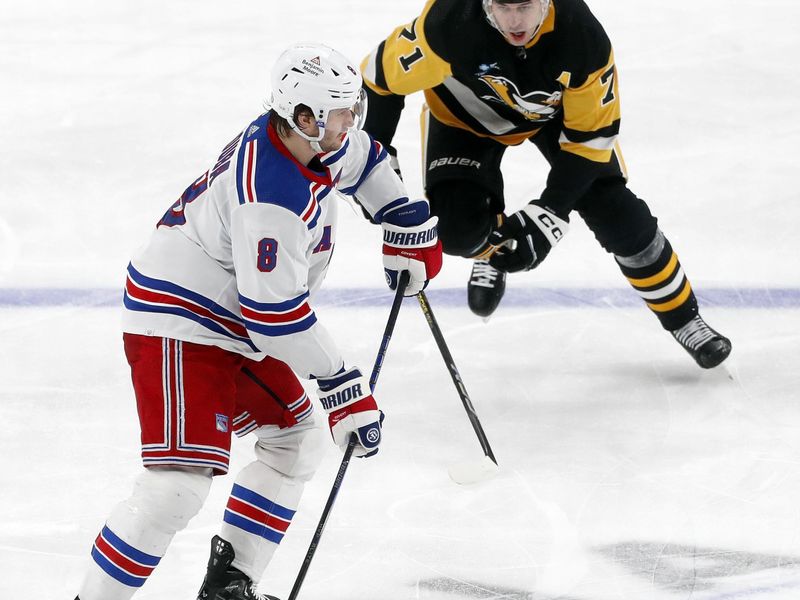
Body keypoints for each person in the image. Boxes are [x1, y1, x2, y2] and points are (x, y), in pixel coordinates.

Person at [74, 43, 442, 600]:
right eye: (339, 112)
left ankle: (227, 589)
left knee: (293, 443)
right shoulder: (271, 192)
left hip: (231, 323)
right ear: (303, 117)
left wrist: (400, 214)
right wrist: (342, 385)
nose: (351, 122)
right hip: (181, 322)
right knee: (175, 488)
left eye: (349, 109)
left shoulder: (309, 139)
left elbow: (363, 159)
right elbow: (274, 316)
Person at [360, 0, 731, 368]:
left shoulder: (581, 36)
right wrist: (374, 158)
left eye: (525, 5)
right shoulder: (447, 22)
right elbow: (379, 78)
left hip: (556, 117)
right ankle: (494, 250)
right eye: (503, 6)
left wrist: (551, 211)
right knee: (458, 233)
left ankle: (684, 319)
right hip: (464, 119)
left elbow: (591, 137)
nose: (514, 20)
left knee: (618, 214)